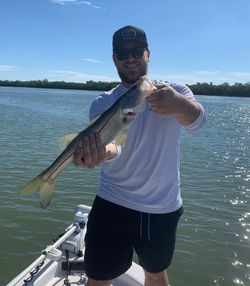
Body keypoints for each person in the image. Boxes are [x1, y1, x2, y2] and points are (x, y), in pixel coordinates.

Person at [73, 25, 206, 286]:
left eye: (136, 51)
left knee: (156, 274)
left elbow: (197, 122)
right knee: (98, 276)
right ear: (114, 58)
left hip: (162, 207)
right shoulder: (103, 102)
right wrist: (100, 155)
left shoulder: (175, 90)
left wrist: (179, 104)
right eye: (122, 53)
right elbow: (114, 146)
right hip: (112, 203)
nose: (130, 58)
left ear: (148, 54)